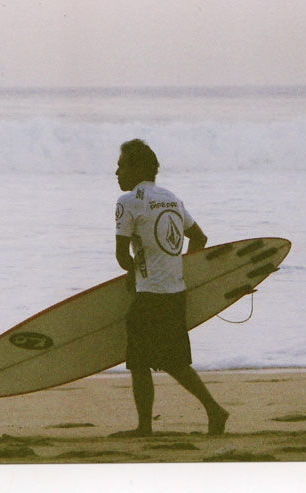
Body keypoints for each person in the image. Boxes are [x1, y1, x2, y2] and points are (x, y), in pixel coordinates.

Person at [113, 138, 229, 436]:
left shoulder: (128, 202)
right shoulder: (172, 198)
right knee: (175, 362)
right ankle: (214, 410)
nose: (116, 172)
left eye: (121, 165)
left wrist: (133, 272)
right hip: (175, 294)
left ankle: (144, 427)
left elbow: (121, 255)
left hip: (149, 295)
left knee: (138, 362)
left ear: (138, 167)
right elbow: (199, 238)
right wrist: (177, 268)